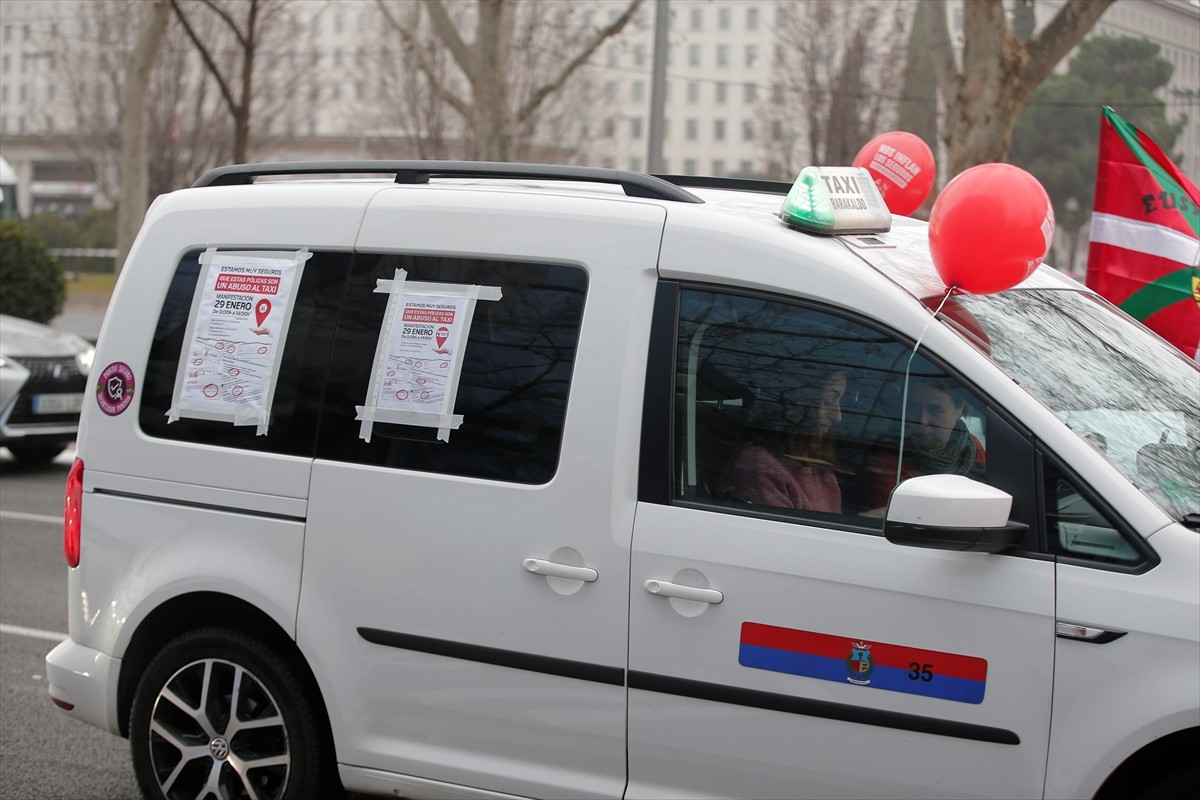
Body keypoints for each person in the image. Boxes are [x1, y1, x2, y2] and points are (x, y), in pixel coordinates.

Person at [717, 369, 847, 513]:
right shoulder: (761, 468)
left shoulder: (821, 471)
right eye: (829, 401)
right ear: (798, 403)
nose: (838, 416)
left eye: (840, 402)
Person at [861, 375, 986, 512]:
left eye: (935, 410)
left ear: (959, 410)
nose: (922, 421)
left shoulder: (972, 447)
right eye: (913, 408)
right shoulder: (887, 459)